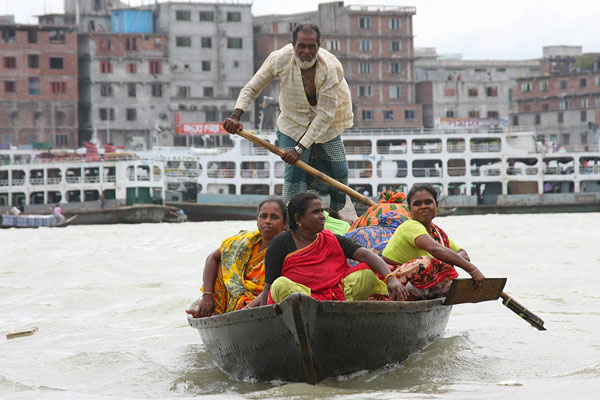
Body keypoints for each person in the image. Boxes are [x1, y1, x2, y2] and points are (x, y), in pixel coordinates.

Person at [222, 23, 353, 221]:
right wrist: (235, 116)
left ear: (319, 46)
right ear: (293, 45)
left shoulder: (331, 68)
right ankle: (294, 222)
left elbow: (325, 115)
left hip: (327, 125)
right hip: (293, 124)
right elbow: (252, 88)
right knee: (294, 176)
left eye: (312, 47)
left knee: (340, 172)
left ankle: (335, 213)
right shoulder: (279, 59)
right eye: (301, 46)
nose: (306, 52)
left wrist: (299, 150)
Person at [262, 192, 409, 305]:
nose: (322, 216)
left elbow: (367, 255)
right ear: (298, 219)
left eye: (322, 211)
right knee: (280, 285)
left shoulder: (330, 237)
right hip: (303, 300)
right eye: (316, 212)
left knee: (366, 272)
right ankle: (315, 308)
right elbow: (269, 286)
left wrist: (390, 278)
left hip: (337, 295)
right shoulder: (280, 243)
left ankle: (337, 308)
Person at [186, 198, 287, 318]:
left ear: (284, 224)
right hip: (234, 300)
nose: (268, 221)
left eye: (274, 217)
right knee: (223, 266)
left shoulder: (288, 248)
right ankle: (211, 312)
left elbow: (273, 287)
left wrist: (246, 310)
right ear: (257, 220)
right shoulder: (244, 242)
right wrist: (207, 296)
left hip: (262, 303)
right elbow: (211, 258)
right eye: (263, 216)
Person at [381, 184, 485, 300]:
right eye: (417, 204)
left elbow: (463, 254)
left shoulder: (437, 233)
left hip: (413, 284)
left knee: (441, 263)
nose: (423, 207)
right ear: (410, 210)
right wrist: (473, 270)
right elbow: (435, 249)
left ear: (436, 206)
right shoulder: (410, 226)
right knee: (427, 262)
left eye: (428, 202)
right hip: (391, 286)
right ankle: (412, 299)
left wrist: (445, 261)